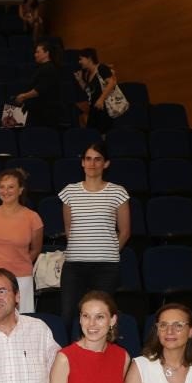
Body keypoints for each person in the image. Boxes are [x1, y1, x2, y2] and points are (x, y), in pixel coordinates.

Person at [59, 141, 130, 328]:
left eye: (98, 159)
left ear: (106, 164)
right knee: (68, 315)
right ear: (82, 162)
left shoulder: (118, 192)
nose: (92, 163)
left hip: (106, 267)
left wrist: (109, 252)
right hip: (74, 265)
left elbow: (125, 231)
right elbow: (69, 228)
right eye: (88, 159)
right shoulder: (69, 191)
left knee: (100, 315)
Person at [0, 168, 44, 314]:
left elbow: (36, 249)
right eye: (2, 187)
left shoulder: (32, 217)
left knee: (19, 322)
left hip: (19, 278)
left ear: (20, 190)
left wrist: (17, 262)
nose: (6, 191)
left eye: (11, 187)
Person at [13, 41, 65, 128]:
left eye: (38, 52)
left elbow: (40, 90)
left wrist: (23, 96)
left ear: (46, 53)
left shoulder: (49, 68)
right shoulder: (44, 68)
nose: (35, 55)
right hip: (41, 112)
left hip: (44, 115)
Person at [74, 48, 118, 134]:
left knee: (103, 134)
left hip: (104, 109)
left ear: (89, 58)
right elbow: (88, 91)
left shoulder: (102, 68)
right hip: (94, 109)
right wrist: (80, 80)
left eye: (81, 59)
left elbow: (111, 83)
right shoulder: (88, 73)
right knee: (92, 133)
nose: (80, 62)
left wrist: (101, 99)